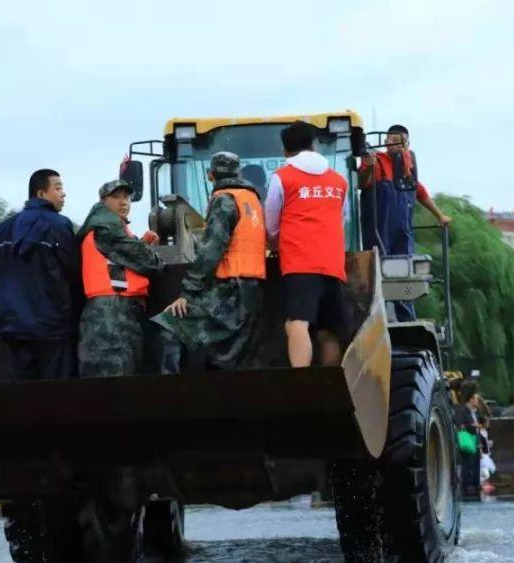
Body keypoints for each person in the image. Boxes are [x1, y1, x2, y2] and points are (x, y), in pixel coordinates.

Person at [153, 152, 266, 373]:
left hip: (229, 291)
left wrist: (188, 294)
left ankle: (168, 396)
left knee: (171, 325)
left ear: (210, 175)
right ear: (238, 173)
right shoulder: (252, 200)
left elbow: (211, 250)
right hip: (251, 291)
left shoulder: (224, 199)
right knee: (227, 356)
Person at [264, 121, 350, 368]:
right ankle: (331, 384)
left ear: (286, 151)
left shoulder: (283, 177)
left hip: (300, 264)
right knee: (328, 330)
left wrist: (274, 243)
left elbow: (271, 223)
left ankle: (301, 383)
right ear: (314, 146)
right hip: (333, 264)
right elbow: (343, 219)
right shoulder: (339, 181)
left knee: (296, 323)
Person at [0, 169, 82, 381]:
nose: (63, 194)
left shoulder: (4, 228)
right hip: (52, 324)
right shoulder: (59, 224)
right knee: (55, 392)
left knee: (23, 391)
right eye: (58, 187)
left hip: (12, 325)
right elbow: (72, 270)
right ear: (41, 193)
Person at [358, 124, 451, 321]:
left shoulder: (408, 166)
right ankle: (376, 318)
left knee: (405, 273)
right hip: (379, 229)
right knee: (377, 273)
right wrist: (369, 165)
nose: (393, 144)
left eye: (398, 140)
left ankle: (406, 317)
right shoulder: (376, 161)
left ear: (407, 144)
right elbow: (361, 182)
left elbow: (420, 192)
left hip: (403, 230)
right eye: (390, 140)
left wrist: (439, 216)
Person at [77, 180, 163, 378]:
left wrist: (141, 243)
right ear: (103, 201)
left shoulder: (110, 226)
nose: (123, 202)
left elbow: (120, 261)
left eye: (126, 197)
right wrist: (147, 250)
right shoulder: (106, 227)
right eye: (116, 197)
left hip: (117, 309)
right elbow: (150, 262)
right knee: (118, 376)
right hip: (112, 313)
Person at [453, 380, 482, 494]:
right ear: (470, 399)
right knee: (467, 464)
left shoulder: (475, 412)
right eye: (475, 398)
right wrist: (472, 426)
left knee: (475, 464)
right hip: (467, 441)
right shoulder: (462, 411)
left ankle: (474, 485)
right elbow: (460, 424)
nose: (477, 401)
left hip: (474, 441)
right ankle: (467, 487)